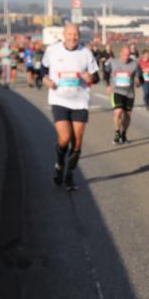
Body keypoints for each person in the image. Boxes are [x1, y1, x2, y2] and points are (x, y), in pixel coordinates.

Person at [42, 23, 100, 191]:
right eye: (69, 34)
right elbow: (42, 70)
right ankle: (60, 163)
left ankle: (69, 174)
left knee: (76, 143)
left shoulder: (86, 53)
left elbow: (96, 76)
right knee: (65, 138)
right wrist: (46, 80)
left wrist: (90, 77)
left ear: (79, 36)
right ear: (64, 34)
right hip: (59, 99)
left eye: (75, 34)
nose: (72, 37)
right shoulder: (52, 50)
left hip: (80, 101)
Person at [107, 45, 139, 145]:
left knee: (127, 115)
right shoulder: (113, 62)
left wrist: (138, 81)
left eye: (128, 54)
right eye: (124, 54)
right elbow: (105, 73)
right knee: (118, 112)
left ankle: (123, 134)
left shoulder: (134, 64)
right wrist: (108, 85)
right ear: (120, 53)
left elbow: (138, 76)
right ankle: (117, 133)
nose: (126, 56)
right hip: (117, 91)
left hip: (129, 93)